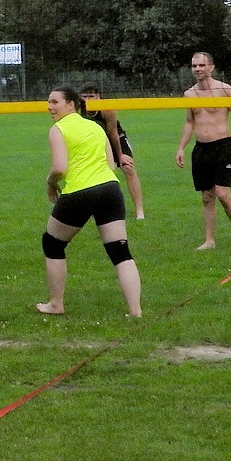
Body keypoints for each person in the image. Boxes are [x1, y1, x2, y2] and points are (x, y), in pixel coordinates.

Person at [38, 87, 143, 317]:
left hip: (80, 192)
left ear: (71, 105)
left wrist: (50, 183)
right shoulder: (96, 127)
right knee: (120, 251)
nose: (49, 107)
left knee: (52, 244)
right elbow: (111, 165)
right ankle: (135, 311)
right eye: (49, 102)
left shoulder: (58, 129)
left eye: (55, 102)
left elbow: (59, 167)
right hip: (110, 189)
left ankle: (56, 304)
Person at [176, 51, 231, 250]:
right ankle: (209, 240)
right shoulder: (189, 94)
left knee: (223, 194)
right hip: (201, 149)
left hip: (222, 146)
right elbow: (189, 122)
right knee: (207, 196)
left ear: (211, 67)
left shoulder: (225, 89)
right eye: (194, 66)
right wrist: (181, 147)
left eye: (201, 65)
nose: (197, 69)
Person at [80, 84, 146, 221]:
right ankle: (95, 208)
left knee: (128, 168)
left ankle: (139, 211)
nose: (88, 99)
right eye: (85, 96)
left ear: (98, 97)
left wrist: (120, 155)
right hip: (96, 142)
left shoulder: (107, 109)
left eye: (91, 96)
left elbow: (113, 133)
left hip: (116, 139)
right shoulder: (78, 110)